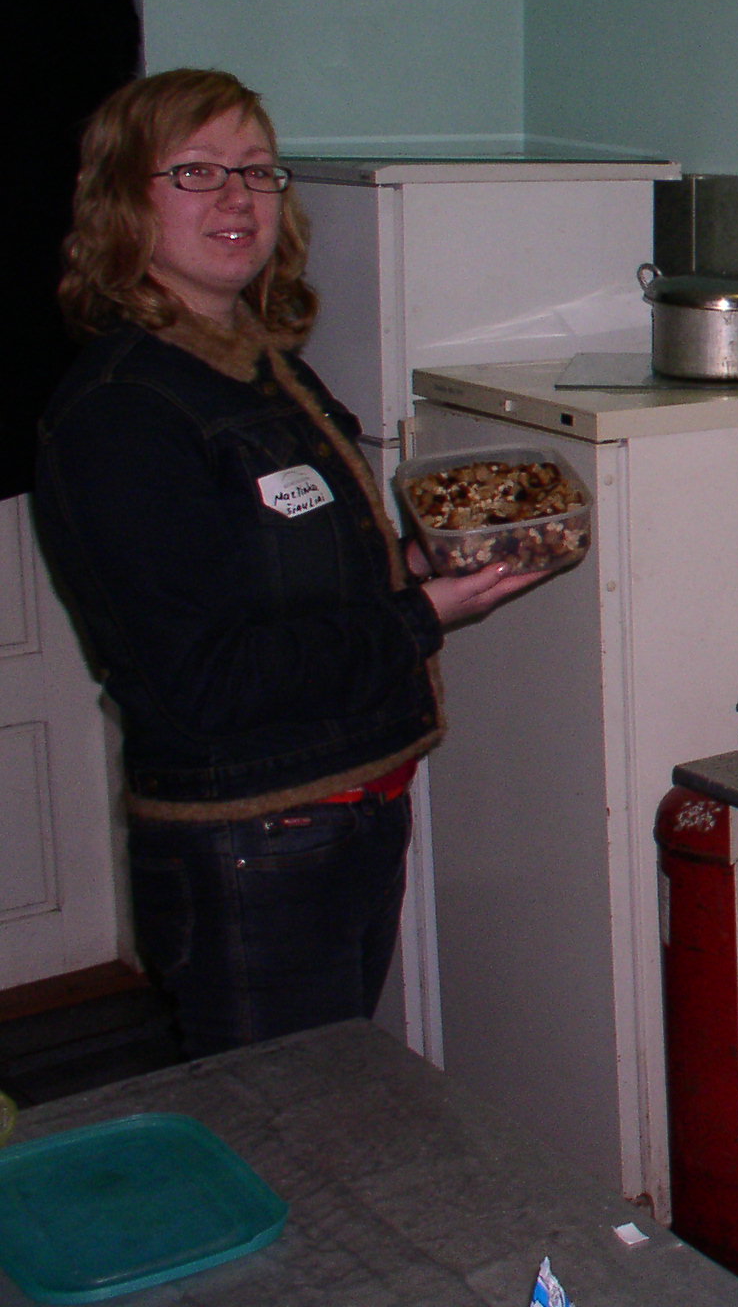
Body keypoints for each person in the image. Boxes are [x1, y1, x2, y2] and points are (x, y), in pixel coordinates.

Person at [33, 69, 542, 1059]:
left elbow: (284, 571)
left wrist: (415, 562)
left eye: (258, 171)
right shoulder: (123, 411)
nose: (237, 198)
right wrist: (424, 613)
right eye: (196, 171)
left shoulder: (256, 365)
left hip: (345, 811)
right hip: (251, 846)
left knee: (329, 1109)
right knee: (285, 1131)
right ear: (124, 202)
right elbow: (207, 681)